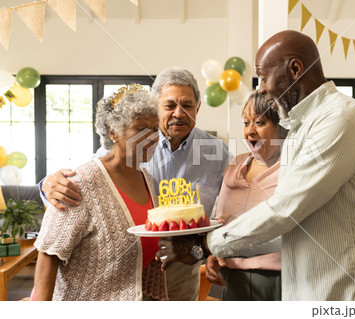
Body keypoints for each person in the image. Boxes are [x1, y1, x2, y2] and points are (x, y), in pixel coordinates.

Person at [156, 30, 355, 301]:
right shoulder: (301, 128)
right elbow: (293, 230)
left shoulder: (340, 118)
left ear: (295, 69)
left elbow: (285, 209)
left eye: (264, 77)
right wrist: (213, 250)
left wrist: (205, 244)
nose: (261, 88)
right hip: (318, 288)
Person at [40, 67, 232, 301]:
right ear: (157, 106)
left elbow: (232, 204)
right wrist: (47, 184)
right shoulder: (133, 144)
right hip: (131, 268)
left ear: (198, 108)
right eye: (170, 105)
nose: (179, 113)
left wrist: (207, 250)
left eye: (188, 105)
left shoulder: (217, 152)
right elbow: (91, 177)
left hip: (185, 265)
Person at [34, 85, 167, 300]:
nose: (151, 138)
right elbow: (49, 252)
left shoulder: (146, 179)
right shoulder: (81, 182)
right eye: (141, 130)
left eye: (155, 130)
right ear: (113, 131)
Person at [206, 91, 288, 301]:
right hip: (229, 278)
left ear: (280, 127)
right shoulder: (234, 165)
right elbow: (219, 221)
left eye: (259, 123)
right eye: (246, 123)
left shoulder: (291, 168)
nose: (250, 131)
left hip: (275, 280)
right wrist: (212, 255)